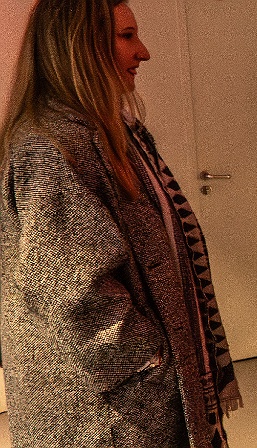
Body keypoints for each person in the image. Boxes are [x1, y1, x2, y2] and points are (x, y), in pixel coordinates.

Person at [1, 0, 242, 445]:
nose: (143, 52)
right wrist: (149, 358)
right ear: (81, 45)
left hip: (128, 401)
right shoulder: (51, 146)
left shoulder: (113, 131)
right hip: (107, 414)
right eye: (126, 36)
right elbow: (70, 289)